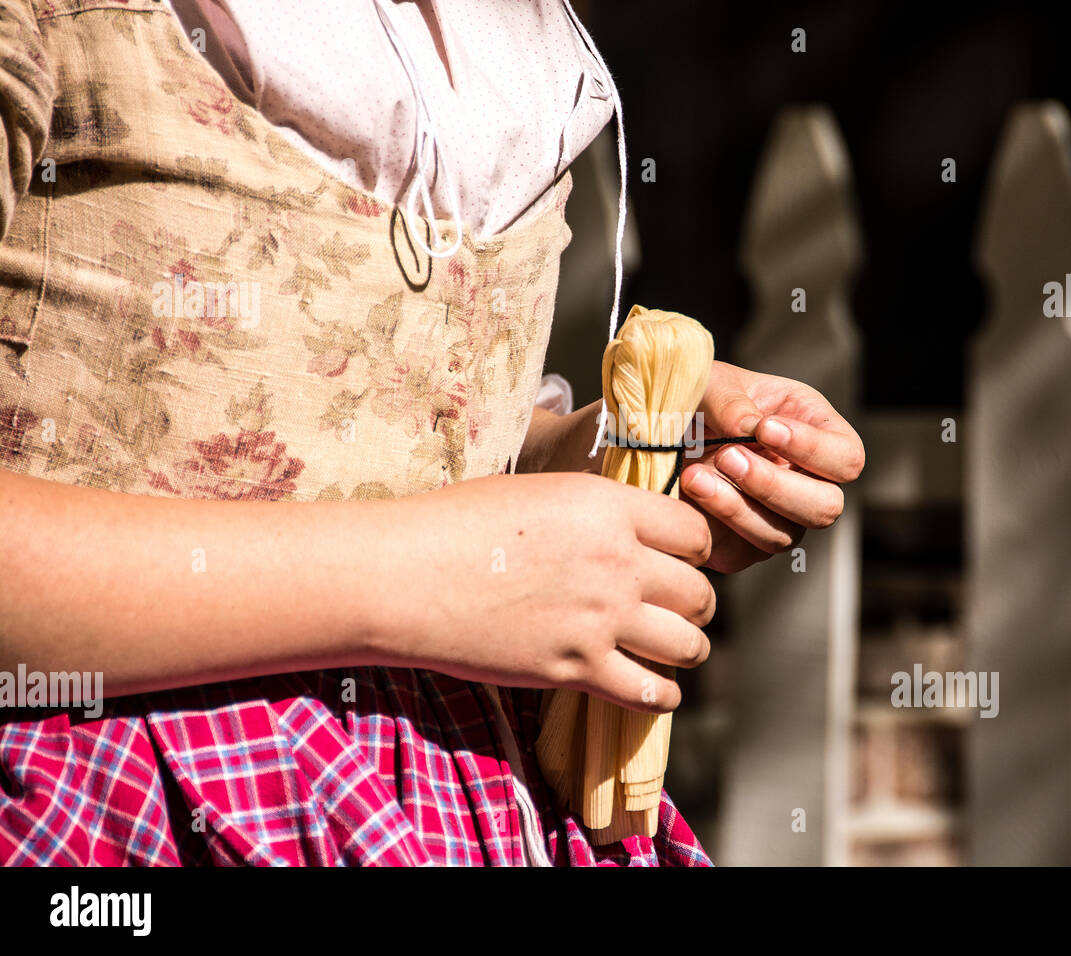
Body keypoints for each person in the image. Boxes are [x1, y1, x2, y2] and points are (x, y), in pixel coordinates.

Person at [0, 0, 864, 865]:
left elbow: (414, 444)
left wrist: (589, 458)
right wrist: (424, 577)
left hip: (471, 793)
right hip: (122, 809)